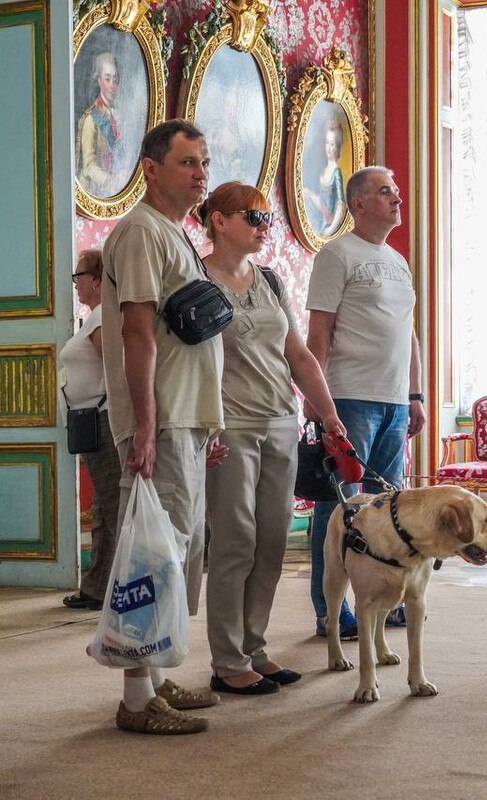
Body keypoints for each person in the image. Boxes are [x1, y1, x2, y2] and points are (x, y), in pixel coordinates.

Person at [99, 119, 226, 734]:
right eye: (188, 163)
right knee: (154, 555)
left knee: (177, 552)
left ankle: (154, 673)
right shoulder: (141, 233)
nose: (201, 174)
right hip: (163, 419)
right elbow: (137, 333)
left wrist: (207, 423)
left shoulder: (173, 234)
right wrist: (146, 426)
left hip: (185, 419)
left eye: (204, 162)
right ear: (151, 169)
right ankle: (134, 699)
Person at [198, 182, 347, 695]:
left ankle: (255, 648)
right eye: (254, 217)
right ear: (219, 220)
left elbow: (299, 356)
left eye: (266, 218)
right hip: (230, 425)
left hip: (281, 421)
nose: (265, 226)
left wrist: (327, 415)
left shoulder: (270, 280)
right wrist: (202, 426)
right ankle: (226, 659)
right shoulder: (195, 278)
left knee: (273, 541)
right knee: (235, 541)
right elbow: (183, 362)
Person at [305, 166, 425, 639]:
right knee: (338, 510)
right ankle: (330, 611)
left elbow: (409, 335)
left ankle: (377, 602)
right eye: (384, 192)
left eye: (395, 191)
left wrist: (414, 395)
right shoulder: (336, 255)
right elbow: (320, 332)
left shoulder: (398, 260)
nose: (396, 198)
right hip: (350, 398)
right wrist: (318, 401)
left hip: (394, 403)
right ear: (358, 204)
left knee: (385, 511)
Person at [61, 250, 121, 612]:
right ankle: (98, 587)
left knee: (112, 507)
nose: (77, 282)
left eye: (79, 275)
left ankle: (115, 588)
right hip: (92, 420)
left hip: (102, 420)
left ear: (96, 278)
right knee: (104, 506)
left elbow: (114, 368)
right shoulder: (93, 318)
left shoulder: (101, 317)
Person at [77, 51, 123, 196]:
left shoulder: (116, 116)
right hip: (92, 191)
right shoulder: (90, 119)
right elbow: (89, 166)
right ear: (98, 80)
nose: (112, 85)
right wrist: (112, 181)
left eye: (115, 79)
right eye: (107, 79)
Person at [303, 119, 346, 238]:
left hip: (328, 222)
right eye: (327, 143)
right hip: (320, 217)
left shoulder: (336, 172)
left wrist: (331, 228)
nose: (329, 147)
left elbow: (340, 204)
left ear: (337, 147)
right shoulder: (323, 169)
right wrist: (310, 195)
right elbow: (321, 201)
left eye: (332, 144)